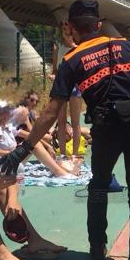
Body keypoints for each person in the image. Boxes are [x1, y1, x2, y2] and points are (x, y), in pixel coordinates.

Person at [0, 0, 130, 260]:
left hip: (105, 129)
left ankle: (97, 248)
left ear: (72, 28)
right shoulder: (129, 46)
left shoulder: (71, 60)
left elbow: (50, 114)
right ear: (98, 25)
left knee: (98, 187)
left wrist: (21, 150)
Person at [0, 100, 75, 179]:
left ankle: (56, 168)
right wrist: (10, 153)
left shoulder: (7, 126)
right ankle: (59, 172)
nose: (11, 112)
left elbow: (31, 136)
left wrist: (48, 146)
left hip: (11, 159)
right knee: (33, 145)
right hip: (1, 165)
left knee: (31, 143)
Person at [51, 29, 83, 164]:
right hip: (61, 84)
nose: (66, 32)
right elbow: (54, 69)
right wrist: (53, 76)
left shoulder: (79, 48)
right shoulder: (57, 47)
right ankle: (62, 154)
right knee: (61, 121)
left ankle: (75, 154)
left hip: (75, 86)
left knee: (75, 122)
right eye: (63, 29)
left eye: (68, 29)